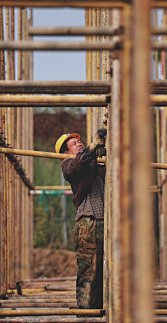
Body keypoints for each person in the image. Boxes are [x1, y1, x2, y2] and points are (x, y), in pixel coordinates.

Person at [55, 131, 106, 309]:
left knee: (103, 273)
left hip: (105, 224)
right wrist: (92, 148)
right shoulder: (68, 164)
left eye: (80, 141)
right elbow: (77, 166)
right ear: (66, 153)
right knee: (88, 272)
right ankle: (85, 313)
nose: (80, 144)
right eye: (74, 144)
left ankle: (100, 312)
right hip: (88, 224)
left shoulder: (92, 162)